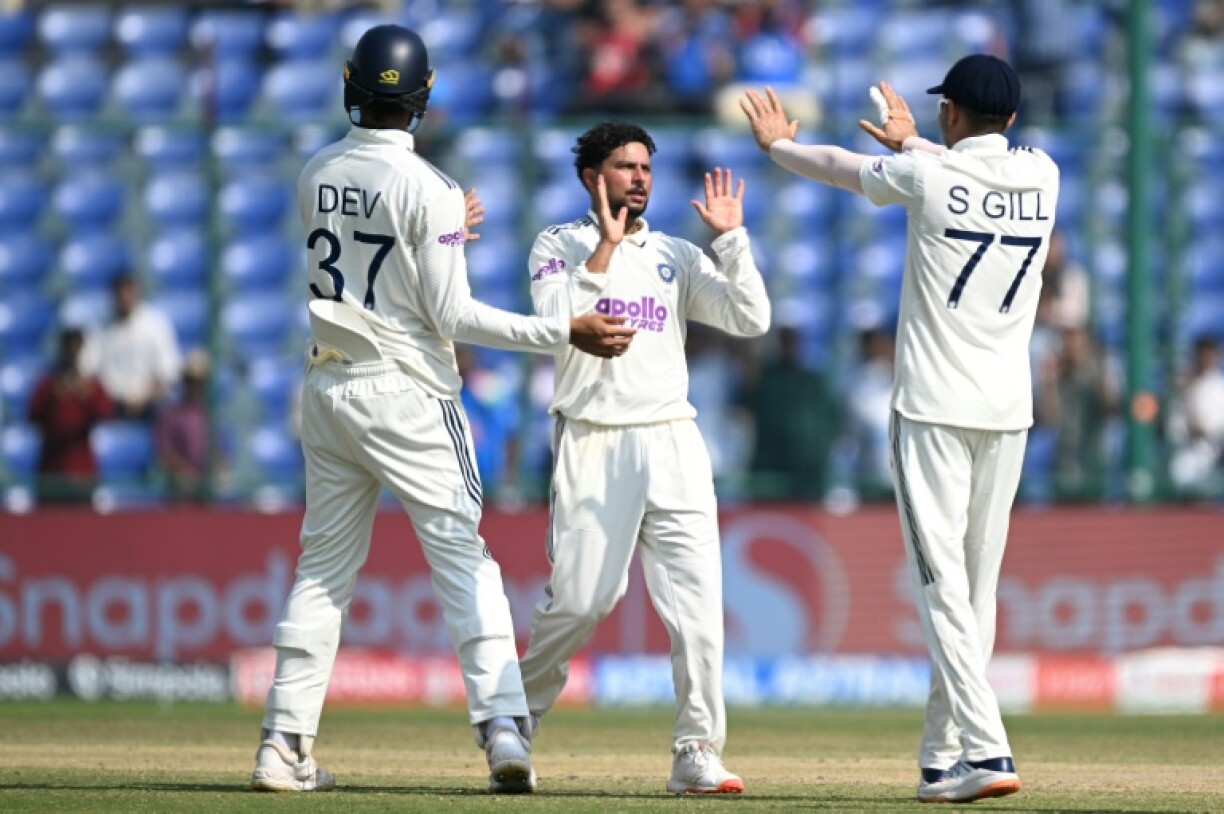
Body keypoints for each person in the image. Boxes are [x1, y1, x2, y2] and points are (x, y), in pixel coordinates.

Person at [250, 25, 635, 796]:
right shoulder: (430, 189)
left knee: (322, 570)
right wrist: (565, 329)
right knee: (464, 559)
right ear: (422, 99)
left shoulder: (316, 171)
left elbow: (371, 254)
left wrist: (447, 233)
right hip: (408, 396)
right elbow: (452, 316)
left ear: (351, 85)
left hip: (327, 390)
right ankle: (501, 729)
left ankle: (283, 744)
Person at [741, 54, 1059, 803]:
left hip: (931, 409)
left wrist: (778, 148)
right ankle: (940, 759)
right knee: (974, 594)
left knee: (942, 587)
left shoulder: (928, 178)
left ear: (950, 114)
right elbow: (962, 168)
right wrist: (915, 143)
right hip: (1008, 410)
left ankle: (986, 751)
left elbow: (843, 167)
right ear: (1010, 120)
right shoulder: (1044, 174)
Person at [517, 120, 770, 794]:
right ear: (590, 177)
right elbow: (556, 319)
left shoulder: (678, 255)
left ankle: (696, 750)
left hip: (673, 439)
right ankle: (513, 716)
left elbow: (751, 318)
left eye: (647, 169)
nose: (640, 178)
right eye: (625, 167)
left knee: (698, 608)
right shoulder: (558, 245)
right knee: (583, 599)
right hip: (594, 437)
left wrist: (732, 239)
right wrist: (603, 246)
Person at [27, 327, 114, 502]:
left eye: (76, 348)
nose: (72, 354)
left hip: (81, 468)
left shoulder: (90, 384)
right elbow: (32, 414)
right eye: (69, 348)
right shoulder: (49, 383)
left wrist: (85, 395)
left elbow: (106, 413)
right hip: (52, 467)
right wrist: (54, 396)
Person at [79, 274, 181, 421]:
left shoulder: (155, 324)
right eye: (120, 293)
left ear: (137, 293)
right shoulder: (98, 327)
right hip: (109, 406)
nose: (124, 298)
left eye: (129, 292)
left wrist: (144, 397)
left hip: (150, 407)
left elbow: (168, 371)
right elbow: (87, 368)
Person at [154, 349, 212, 502]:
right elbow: (165, 453)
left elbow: (221, 453)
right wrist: (188, 475)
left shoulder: (211, 414)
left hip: (209, 495)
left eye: (201, 381)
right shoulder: (170, 415)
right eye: (192, 381)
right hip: (181, 494)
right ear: (185, 382)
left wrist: (216, 476)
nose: (197, 386)